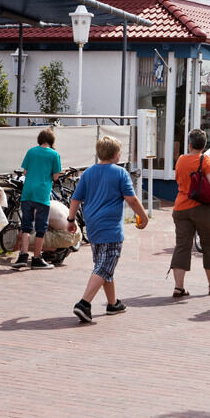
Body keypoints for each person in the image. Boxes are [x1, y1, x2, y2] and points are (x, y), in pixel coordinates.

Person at [67, 135, 148, 322]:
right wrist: (143, 216)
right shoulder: (120, 173)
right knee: (104, 266)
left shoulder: (87, 173)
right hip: (110, 227)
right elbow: (132, 199)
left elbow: (75, 199)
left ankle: (113, 304)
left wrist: (71, 219)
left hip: (93, 226)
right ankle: (84, 303)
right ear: (116, 154)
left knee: (104, 265)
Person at [170, 128, 210, 299]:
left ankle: (178, 287)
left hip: (180, 207)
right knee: (209, 244)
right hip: (201, 208)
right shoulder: (205, 160)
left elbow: (179, 180)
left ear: (189, 144)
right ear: (204, 145)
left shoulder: (180, 160)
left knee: (182, 246)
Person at [12, 129, 62, 270]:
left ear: (40, 139)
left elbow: (25, 172)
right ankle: (36, 258)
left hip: (27, 193)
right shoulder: (54, 155)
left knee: (26, 226)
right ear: (52, 141)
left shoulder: (31, 151)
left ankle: (22, 256)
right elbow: (56, 176)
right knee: (41, 228)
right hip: (42, 194)